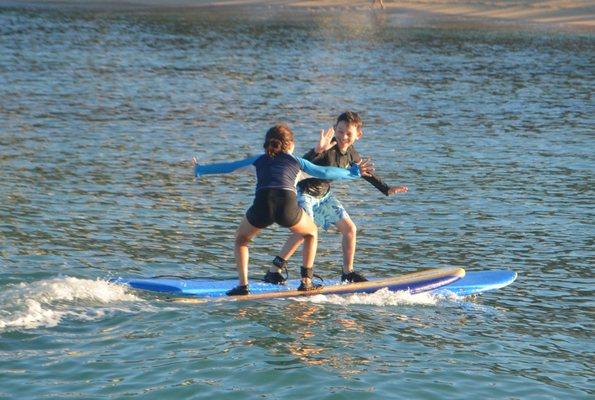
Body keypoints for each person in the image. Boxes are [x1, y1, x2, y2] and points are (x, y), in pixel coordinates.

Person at [192, 123, 374, 296]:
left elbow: (227, 167)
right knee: (311, 233)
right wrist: (354, 173)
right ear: (291, 145)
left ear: (266, 145)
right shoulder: (297, 162)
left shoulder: (257, 161)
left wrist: (200, 169)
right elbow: (326, 172)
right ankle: (306, 282)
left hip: (262, 206)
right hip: (287, 208)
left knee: (241, 240)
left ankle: (242, 286)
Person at [265, 112, 408, 286]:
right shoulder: (327, 148)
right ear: (334, 130)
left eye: (348, 133)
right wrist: (317, 150)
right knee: (304, 232)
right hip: (305, 194)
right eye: (339, 131)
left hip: (324, 196)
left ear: (358, 135)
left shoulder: (352, 153)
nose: (343, 137)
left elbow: (363, 173)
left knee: (350, 229)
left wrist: (386, 189)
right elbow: (300, 164)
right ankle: (276, 271)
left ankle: (347, 273)